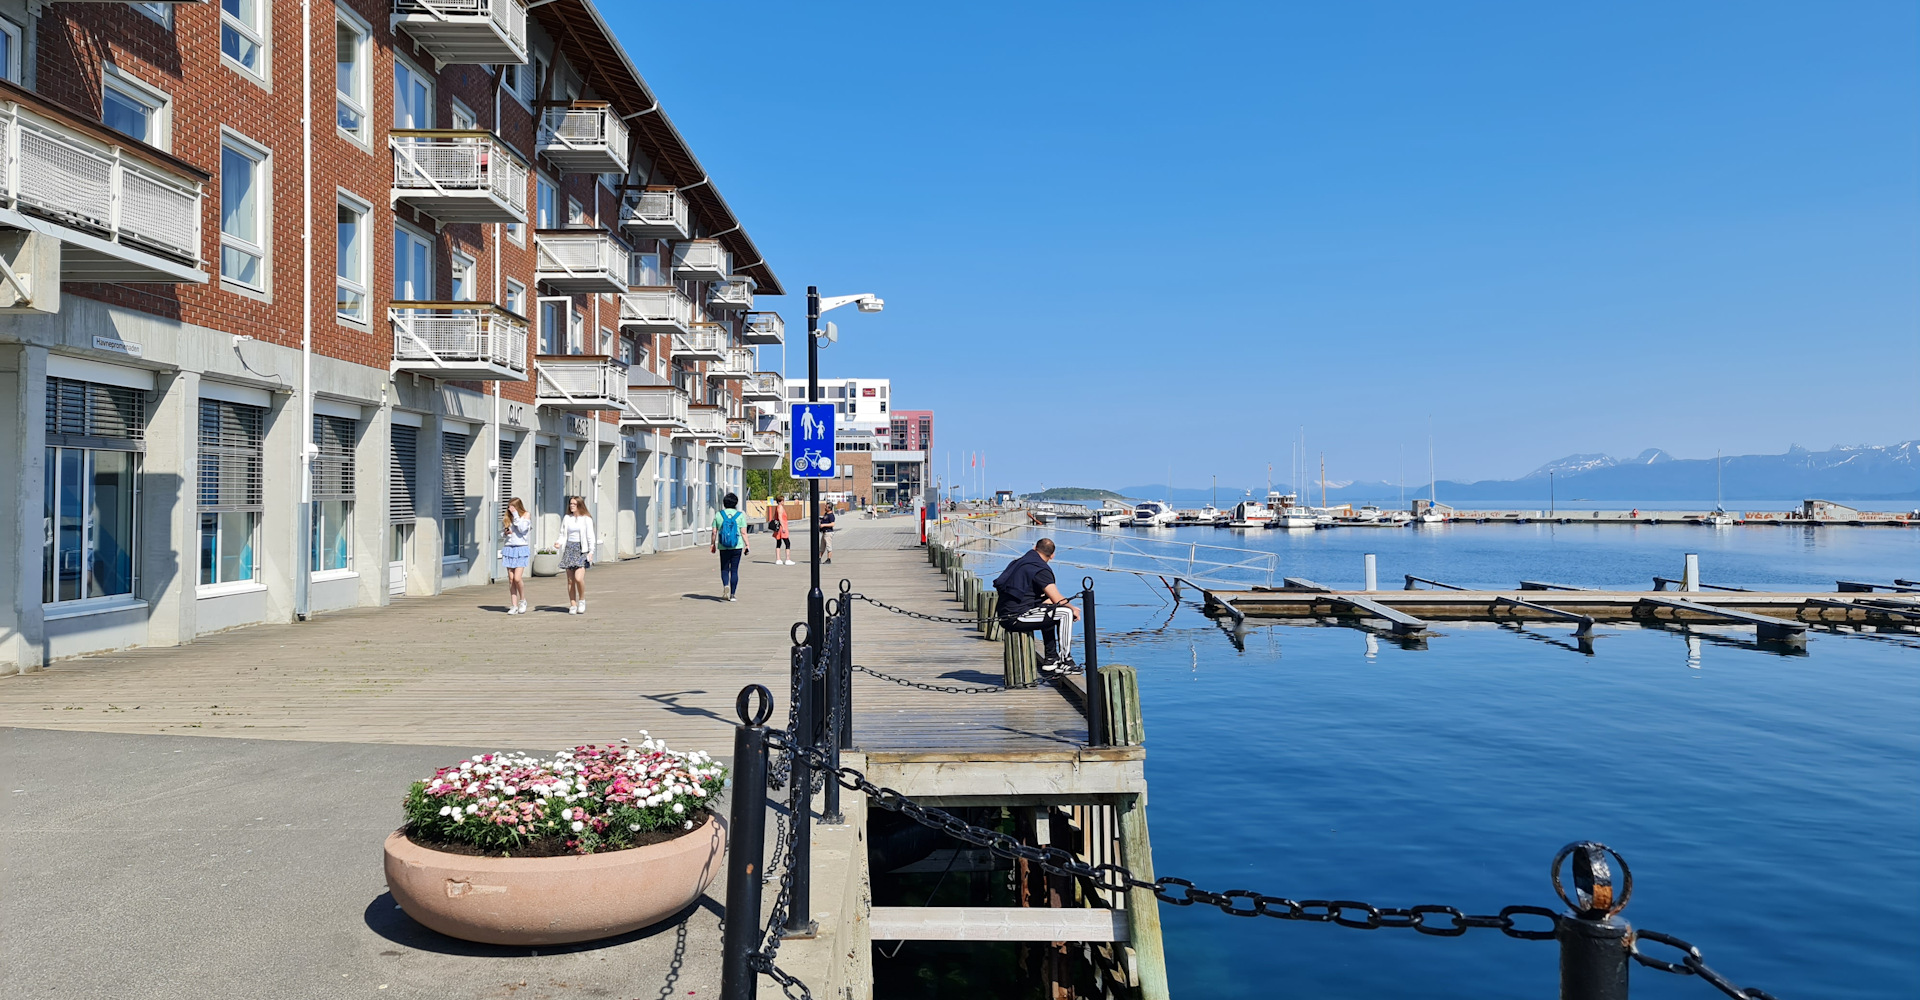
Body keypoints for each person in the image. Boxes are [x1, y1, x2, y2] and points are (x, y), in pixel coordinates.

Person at [993, 537, 1080, 673]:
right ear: (1052, 556)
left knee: (1051, 610)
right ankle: (1066, 661)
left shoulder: (1020, 563)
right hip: (1017, 617)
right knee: (1065, 613)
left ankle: (1051, 658)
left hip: (1005, 614)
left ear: (1035, 548)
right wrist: (1073, 608)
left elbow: (1042, 599)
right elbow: (1056, 597)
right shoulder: (1040, 569)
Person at [558, 495, 595, 615]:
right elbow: (562, 534)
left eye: (574, 504)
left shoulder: (586, 519)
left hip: (581, 549)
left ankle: (582, 600)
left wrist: (591, 551)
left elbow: (590, 536)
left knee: (579, 578)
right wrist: (559, 543)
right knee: (570, 580)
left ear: (579, 505)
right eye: (570, 504)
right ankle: (573, 604)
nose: (572, 506)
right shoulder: (567, 518)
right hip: (569, 548)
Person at [711, 492, 749, 601]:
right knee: (734, 570)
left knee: (724, 568)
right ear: (736, 503)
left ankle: (725, 585)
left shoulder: (719, 515)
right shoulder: (740, 515)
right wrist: (747, 545)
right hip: (737, 546)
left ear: (724, 503)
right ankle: (732, 594)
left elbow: (714, 532)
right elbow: (743, 532)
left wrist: (713, 544)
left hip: (723, 546)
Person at [500, 497, 531, 615]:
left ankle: (522, 600)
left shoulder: (525, 515)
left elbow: (523, 529)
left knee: (518, 578)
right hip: (509, 548)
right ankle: (513, 605)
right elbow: (503, 533)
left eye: (512, 507)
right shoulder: (508, 518)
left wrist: (516, 515)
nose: (510, 509)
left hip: (521, 548)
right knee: (511, 579)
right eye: (509, 507)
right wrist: (505, 532)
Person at [768, 495, 793, 565]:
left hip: (779, 527)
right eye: (783, 500)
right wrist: (783, 527)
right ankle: (787, 559)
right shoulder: (780, 508)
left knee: (779, 543)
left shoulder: (777, 507)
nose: (784, 502)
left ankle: (778, 559)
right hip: (782, 527)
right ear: (781, 501)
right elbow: (780, 517)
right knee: (787, 543)